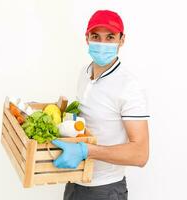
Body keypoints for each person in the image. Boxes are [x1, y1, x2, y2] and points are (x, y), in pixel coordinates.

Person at [51, 10, 150, 200]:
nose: (102, 44)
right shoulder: (84, 73)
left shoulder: (129, 87)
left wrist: (86, 151)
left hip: (105, 190)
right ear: (87, 38)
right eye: (96, 36)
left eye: (110, 37)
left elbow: (140, 154)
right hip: (74, 183)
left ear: (122, 40)